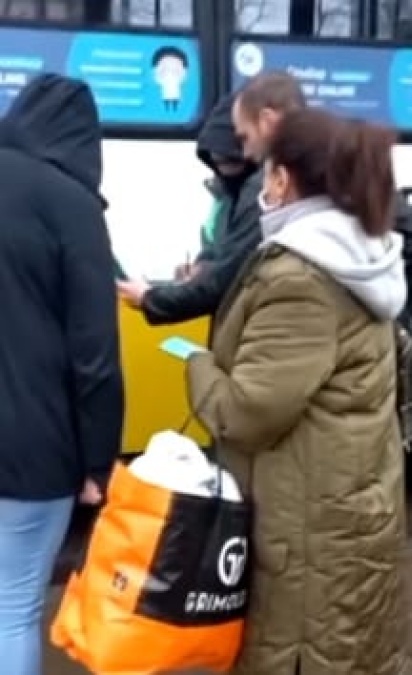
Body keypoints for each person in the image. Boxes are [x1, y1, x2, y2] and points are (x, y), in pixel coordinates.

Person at [185, 106, 408, 675]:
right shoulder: (356, 250)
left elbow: (249, 412)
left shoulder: (300, 277)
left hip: (307, 537)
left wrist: (199, 365)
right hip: (343, 516)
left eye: (267, 170)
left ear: (283, 178)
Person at [0, 73, 124, 675]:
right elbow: (94, 356)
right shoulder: (72, 203)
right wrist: (99, 464)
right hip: (34, 451)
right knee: (14, 604)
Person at [231, 71, 412, 338]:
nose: (245, 153)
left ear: (266, 121)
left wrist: (409, 344)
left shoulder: (298, 276)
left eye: (244, 138)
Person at [117, 94, 261, 326]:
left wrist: (149, 298)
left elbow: (228, 276)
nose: (223, 172)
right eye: (216, 164)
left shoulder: (258, 196)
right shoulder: (226, 198)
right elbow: (219, 251)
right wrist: (201, 267)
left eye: (231, 162)